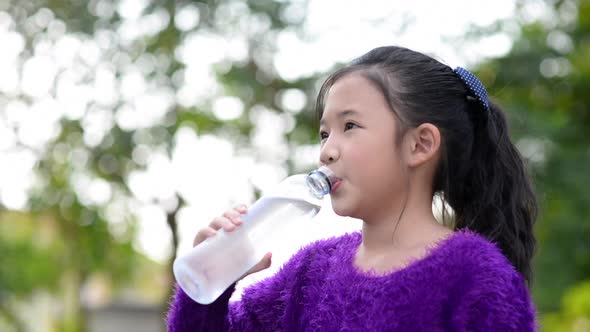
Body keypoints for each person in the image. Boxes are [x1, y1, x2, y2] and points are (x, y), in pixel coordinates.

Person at [167, 46, 539, 331]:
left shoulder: (477, 275)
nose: (327, 150)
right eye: (324, 133)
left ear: (420, 145)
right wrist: (208, 290)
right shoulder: (310, 272)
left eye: (350, 127)